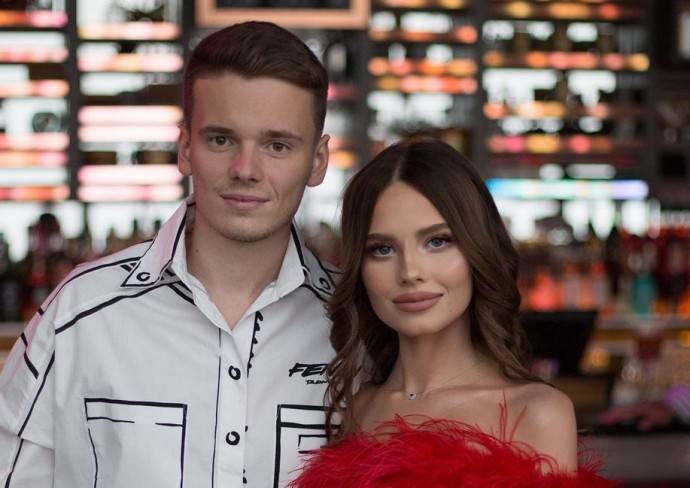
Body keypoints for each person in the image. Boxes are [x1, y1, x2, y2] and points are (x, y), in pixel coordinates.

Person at [0, 21, 338, 487]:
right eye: (221, 140)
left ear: (317, 161)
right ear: (184, 148)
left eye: (277, 145)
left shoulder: (357, 326)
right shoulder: (79, 316)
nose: (245, 169)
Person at [292, 139, 612, 487]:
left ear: (477, 250)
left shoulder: (536, 414)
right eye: (382, 249)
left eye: (437, 241)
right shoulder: (358, 408)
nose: (410, 272)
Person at [598, 384, 690, 432]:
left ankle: (615, 414)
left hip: (674, 403)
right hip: (674, 401)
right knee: (644, 410)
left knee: (644, 411)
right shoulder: (667, 409)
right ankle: (615, 414)